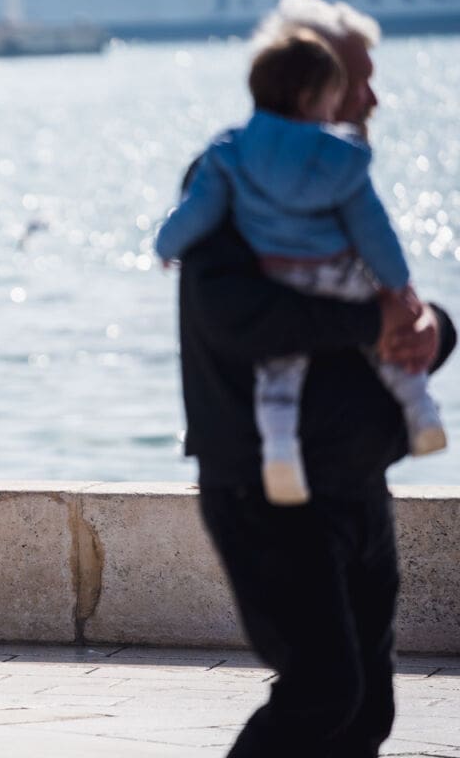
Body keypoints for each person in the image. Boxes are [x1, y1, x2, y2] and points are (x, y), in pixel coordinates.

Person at [171, 0, 455, 757]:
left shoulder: (339, 180)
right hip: (268, 492)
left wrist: (433, 327)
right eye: (356, 81)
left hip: (357, 483)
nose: (373, 98)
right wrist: (374, 323)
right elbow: (235, 316)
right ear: (305, 87)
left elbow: (391, 305)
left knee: (365, 712)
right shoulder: (228, 174)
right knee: (323, 691)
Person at [156, 27, 446, 506]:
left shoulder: (230, 155)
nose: (370, 99)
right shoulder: (341, 160)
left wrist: (165, 245)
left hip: (351, 473)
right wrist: (395, 298)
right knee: (367, 353)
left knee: (279, 379)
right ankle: (423, 414)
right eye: (352, 83)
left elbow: (191, 216)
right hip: (256, 490)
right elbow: (372, 234)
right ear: (311, 95)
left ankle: (281, 454)